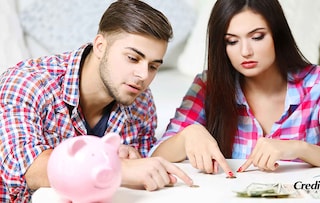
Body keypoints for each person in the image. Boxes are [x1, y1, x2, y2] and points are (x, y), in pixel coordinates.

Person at [0, 0, 193, 202]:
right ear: (100, 46)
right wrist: (119, 168)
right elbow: (26, 169)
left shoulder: (141, 101)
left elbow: (139, 174)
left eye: (153, 66)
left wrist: (133, 158)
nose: (143, 75)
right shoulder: (26, 83)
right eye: (133, 58)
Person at [150, 0, 320, 176]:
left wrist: (301, 149)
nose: (245, 51)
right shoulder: (208, 85)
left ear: (277, 35)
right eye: (232, 41)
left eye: (257, 37)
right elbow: (155, 157)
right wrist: (187, 135)